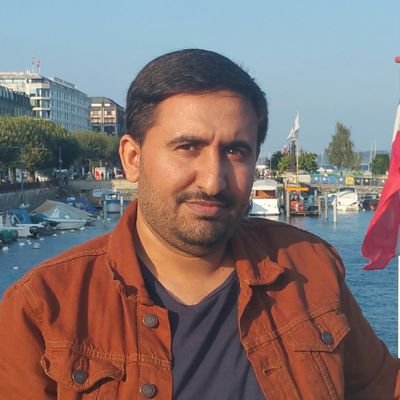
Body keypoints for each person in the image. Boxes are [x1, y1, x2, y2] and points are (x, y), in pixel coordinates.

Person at [0, 49, 399, 399]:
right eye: (188, 147)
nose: (213, 181)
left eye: (236, 152)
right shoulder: (43, 309)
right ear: (133, 158)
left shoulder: (309, 269)